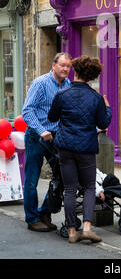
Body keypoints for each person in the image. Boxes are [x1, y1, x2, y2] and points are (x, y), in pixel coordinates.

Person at [48, 55, 112, 244]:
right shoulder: (96, 98)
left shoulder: (62, 94)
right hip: (86, 148)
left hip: (65, 147)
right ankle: (87, 228)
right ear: (92, 76)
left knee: (69, 189)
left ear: (76, 71)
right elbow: (103, 122)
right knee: (90, 187)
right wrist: (107, 108)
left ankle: (72, 232)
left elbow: (52, 117)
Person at [22, 52, 72, 232]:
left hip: (57, 137)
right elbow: (27, 111)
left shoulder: (68, 85)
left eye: (68, 66)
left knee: (60, 178)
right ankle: (32, 218)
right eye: (62, 65)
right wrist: (42, 131)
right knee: (32, 179)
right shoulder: (40, 83)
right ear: (53, 65)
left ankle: (44, 212)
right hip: (37, 136)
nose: (65, 68)